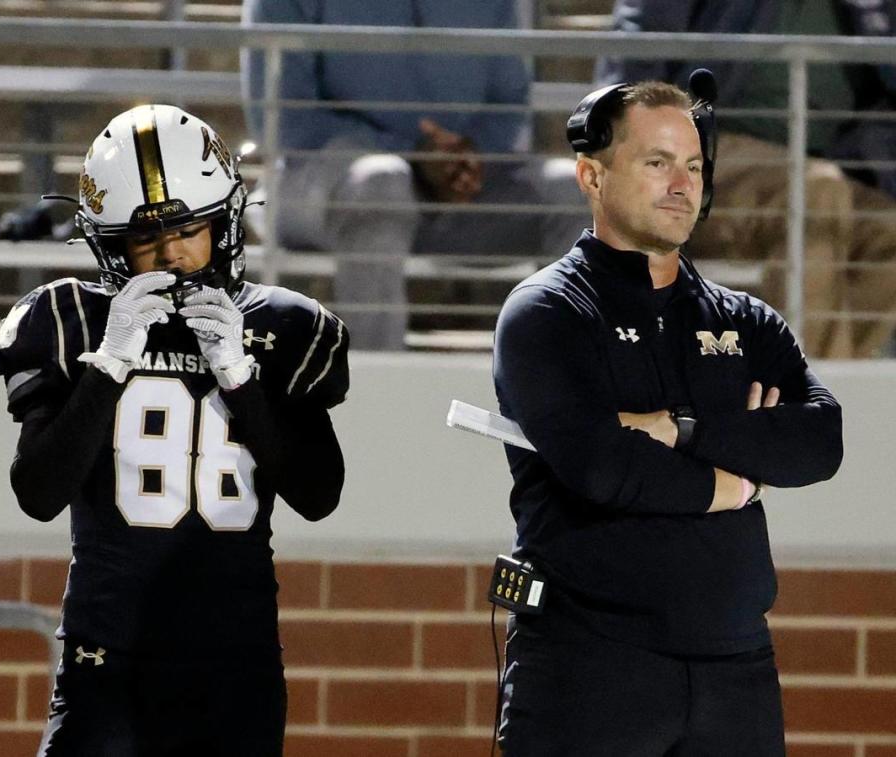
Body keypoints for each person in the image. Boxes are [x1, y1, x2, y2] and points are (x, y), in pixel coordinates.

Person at [493, 81, 843, 755]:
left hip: (736, 669)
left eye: (694, 165)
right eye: (657, 162)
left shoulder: (744, 320)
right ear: (591, 174)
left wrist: (683, 427)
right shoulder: (547, 312)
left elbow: (818, 442)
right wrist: (735, 482)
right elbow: (603, 467)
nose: (682, 183)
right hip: (588, 666)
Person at [0, 104, 349, 756]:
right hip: (107, 660)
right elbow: (37, 491)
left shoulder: (284, 327)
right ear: (109, 246)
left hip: (234, 664)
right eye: (144, 241)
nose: (170, 255)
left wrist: (242, 379)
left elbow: (319, 494)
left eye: (189, 229)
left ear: (225, 220)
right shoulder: (72, 319)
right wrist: (109, 363)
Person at [243, 0, 585, 350]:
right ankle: (373, 392)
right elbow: (286, 124)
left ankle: (561, 392)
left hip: (455, 190)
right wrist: (416, 153)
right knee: (382, 182)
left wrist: (464, 158)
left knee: (575, 190)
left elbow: (507, 103)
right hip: (320, 185)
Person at [596, 0, 896, 358]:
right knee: (815, 194)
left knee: (885, 228)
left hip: (827, 161)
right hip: (707, 153)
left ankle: (807, 383)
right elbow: (633, 56)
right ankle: (808, 397)